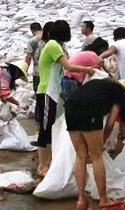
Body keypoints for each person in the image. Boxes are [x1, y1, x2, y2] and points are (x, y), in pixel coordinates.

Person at [35, 20, 97, 177]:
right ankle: (42, 166)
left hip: (51, 92)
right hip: (47, 92)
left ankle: (46, 164)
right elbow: (68, 66)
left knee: (47, 127)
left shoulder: (55, 46)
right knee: (45, 129)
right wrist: (87, 69)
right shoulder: (53, 46)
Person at [66, 79, 125, 210]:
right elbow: (109, 124)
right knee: (96, 156)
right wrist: (101, 142)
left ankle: (81, 199)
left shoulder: (100, 85)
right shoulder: (119, 94)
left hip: (70, 106)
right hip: (89, 108)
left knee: (80, 155)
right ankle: (104, 200)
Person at [24, 22, 44, 92]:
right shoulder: (49, 38)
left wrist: (24, 70)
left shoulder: (31, 41)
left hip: (37, 70)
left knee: (38, 91)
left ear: (32, 30)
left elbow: (28, 57)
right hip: (49, 69)